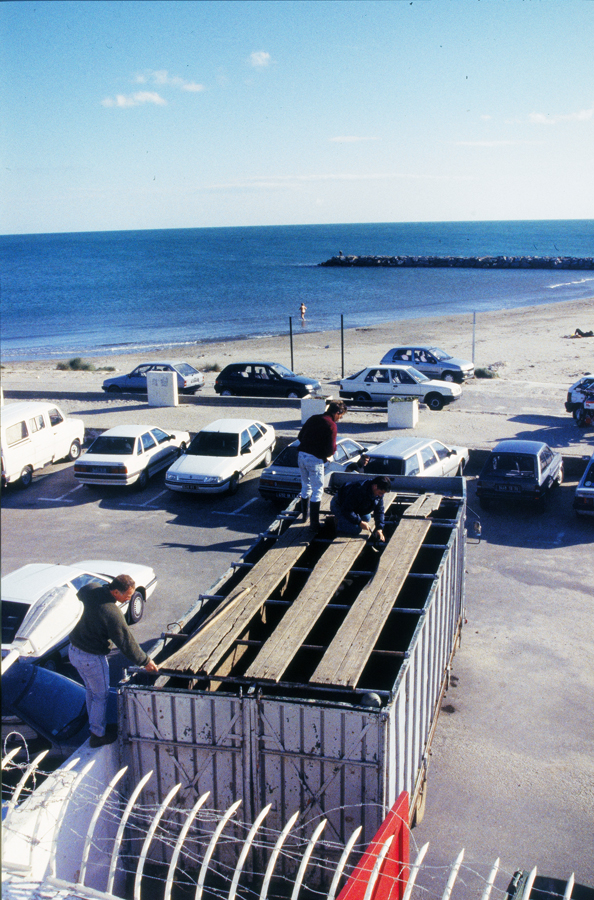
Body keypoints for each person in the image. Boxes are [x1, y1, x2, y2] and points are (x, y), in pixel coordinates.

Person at [68, 574, 159, 747]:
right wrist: (145, 661)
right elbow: (126, 641)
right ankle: (97, 735)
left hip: (73, 651)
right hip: (91, 658)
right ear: (116, 592)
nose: (130, 598)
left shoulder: (90, 589)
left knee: (91, 691)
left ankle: (95, 726)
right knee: (101, 695)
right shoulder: (111, 612)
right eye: (128, 595)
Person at [297, 400, 347, 528]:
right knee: (317, 490)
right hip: (314, 460)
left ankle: (304, 517)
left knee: (305, 486)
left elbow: (300, 436)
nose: (339, 419)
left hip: (301, 455)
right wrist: (328, 452)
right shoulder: (331, 425)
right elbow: (330, 449)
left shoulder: (314, 418)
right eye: (340, 416)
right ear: (337, 412)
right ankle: (314, 524)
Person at [330, 475, 392, 542]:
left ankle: (343, 520)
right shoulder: (358, 490)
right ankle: (336, 522)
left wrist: (379, 528)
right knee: (356, 529)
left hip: (355, 508)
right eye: (380, 493)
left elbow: (379, 511)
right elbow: (346, 509)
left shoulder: (378, 495)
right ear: (375, 486)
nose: (381, 495)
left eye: (382, 494)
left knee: (367, 518)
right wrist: (359, 522)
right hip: (339, 506)